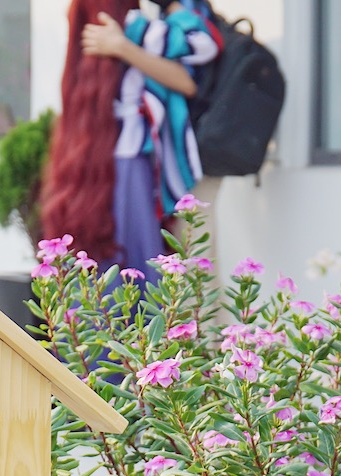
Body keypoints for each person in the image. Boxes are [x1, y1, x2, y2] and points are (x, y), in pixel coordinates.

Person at [42, 0, 219, 279]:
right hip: (129, 158)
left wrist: (122, 47)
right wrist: (170, 9)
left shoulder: (87, 25)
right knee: (136, 262)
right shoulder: (135, 27)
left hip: (91, 154)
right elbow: (202, 48)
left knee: (96, 259)